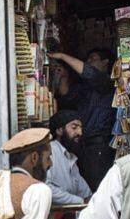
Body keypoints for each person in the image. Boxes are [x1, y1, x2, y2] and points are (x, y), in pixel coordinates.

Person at [48, 49, 116, 191]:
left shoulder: (106, 82)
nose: (88, 62)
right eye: (88, 59)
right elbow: (67, 97)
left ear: (105, 63)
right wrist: (64, 76)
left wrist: (62, 55)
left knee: (96, 190)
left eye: (93, 59)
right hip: (82, 146)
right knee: (82, 188)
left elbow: (89, 72)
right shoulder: (85, 88)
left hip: (98, 148)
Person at [46, 110, 92, 205]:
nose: (80, 132)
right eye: (74, 127)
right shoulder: (51, 151)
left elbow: (84, 192)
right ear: (59, 130)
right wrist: (80, 201)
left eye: (80, 128)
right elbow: (46, 188)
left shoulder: (70, 157)